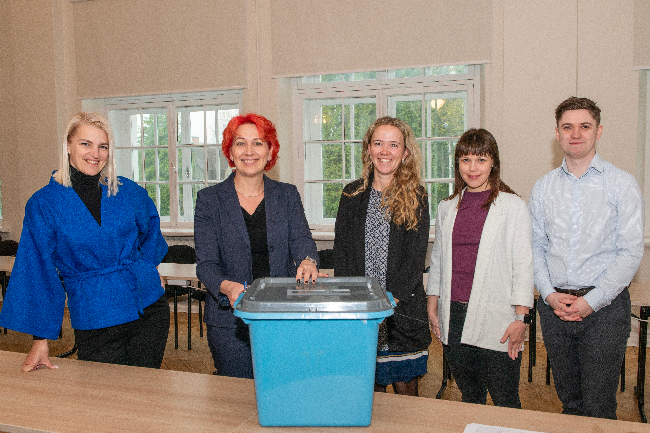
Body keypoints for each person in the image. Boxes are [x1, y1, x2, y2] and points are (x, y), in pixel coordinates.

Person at [0, 112, 170, 371]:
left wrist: (149, 267)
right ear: (68, 146)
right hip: (94, 314)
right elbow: (37, 269)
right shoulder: (44, 204)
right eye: (85, 144)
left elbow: (151, 230)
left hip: (147, 308)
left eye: (103, 146)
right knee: (103, 392)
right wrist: (40, 341)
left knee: (145, 390)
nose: (95, 154)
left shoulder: (127, 191)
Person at [529, 97, 644, 419]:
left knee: (598, 405)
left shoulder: (621, 184)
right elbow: (535, 246)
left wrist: (591, 302)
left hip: (604, 310)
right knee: (570, 402)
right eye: (567, 127)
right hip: (555, 308)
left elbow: (631, 250)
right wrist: (548, 294)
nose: (576, 134)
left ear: (599, 131)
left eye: (585, 126)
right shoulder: (543, 187)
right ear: (557, 133)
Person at [194, 113, 324, 379]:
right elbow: (206, 265)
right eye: (240, 143)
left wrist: (308, 260)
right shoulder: (209, 200)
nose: (249, 151)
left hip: (282, 315)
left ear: (270, 151)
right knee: (236, 393)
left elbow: (301, 240)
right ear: (230, 151)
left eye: (258, 143)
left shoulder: (287, 194)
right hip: (229, 321)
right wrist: (227, 287)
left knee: (283, 386)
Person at [426, 128, 534, 408]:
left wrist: (521, 319)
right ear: (457, 164)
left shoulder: (513, 206)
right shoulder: (447, 207)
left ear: (493, 163)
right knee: (470, 395)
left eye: (481, 160)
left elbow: (523, 265)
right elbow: (438, 260)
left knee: (505, 398)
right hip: (454, 315)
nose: (472, 168)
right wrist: (433, 304)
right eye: (466, 160)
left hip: (497, 316)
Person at [334, 116, 431, 396]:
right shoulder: (351, 194)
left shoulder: (417, 196)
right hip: (361, 312)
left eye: (393, 145)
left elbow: (415, 258)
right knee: (369, 393)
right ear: (368, 149)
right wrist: (356, 301)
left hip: (401, 308)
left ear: (405, 152)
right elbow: (342, 254)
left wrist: (390, 300)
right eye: (378, 143)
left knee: (406, 394)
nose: (385, 151)